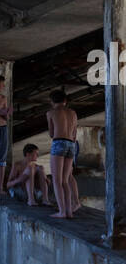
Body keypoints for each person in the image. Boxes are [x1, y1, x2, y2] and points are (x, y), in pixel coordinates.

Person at [46, 90, 78, 220]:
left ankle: (61, 211)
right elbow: (75, 133)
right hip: (71, 144)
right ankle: (69, 211)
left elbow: (52, 133)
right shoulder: (73, 113)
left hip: (59, 142)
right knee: (65, 180)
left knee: (56, 180)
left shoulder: (51, 113)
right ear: (65, 101)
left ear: (52, 101)